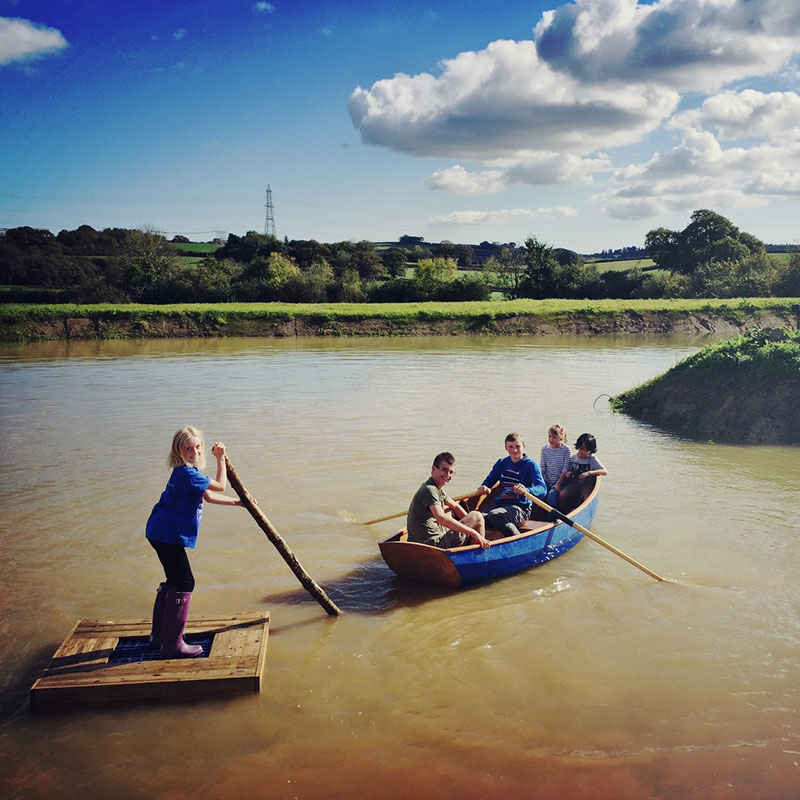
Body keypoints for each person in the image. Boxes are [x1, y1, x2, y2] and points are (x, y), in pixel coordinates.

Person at [145, 426, 244, 658]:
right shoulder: (187, 474)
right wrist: (221, 458)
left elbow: (208, 496)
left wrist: (238, 503)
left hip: (160, 531)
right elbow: (219, 486)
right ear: (178, 451)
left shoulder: (186, 471)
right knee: (186, 582)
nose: (195, 452)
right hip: (166, 534)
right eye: (188, 449)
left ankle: (158, 637)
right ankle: (173, 645)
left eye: (198, 447)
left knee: (174, 580)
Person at [406, 452, 491, 549]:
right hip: (431, 545)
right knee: (477, 516)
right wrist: (473, 532)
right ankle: (477, 553)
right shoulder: (430, 490)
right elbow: (441, 518)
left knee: (451, 511)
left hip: (422, 541)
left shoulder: (436, 488)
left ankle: (475, 540)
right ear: (434, 469)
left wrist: (471, 525)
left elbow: (455, 506)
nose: (448, 475)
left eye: (451, 472)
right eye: (445, 470)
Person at [475, 432, 546, 538]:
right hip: (500, 506)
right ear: (506, 448)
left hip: (520, 509)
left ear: (523, 446)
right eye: (511, 447)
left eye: (518, 446)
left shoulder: (530, 465)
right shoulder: (502, 463)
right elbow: (490, 481)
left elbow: (542, 489)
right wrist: (484, 486)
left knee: (495, 515)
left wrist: (527, 490)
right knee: (477, 517)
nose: (515, 450)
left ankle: (518, 540)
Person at [556, 432, 608, 512]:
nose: (580, 451)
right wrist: (569, 473)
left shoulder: (592, 459)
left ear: (590, 451)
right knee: (562, 494)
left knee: (586, 498)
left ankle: (583, 512)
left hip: (586, 486)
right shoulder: (573, 458)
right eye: (579, 448)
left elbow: (604, 471)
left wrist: (589, 473)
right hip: (574, 484)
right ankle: (562, 512)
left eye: (583, 449)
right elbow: (569, 470)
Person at [540, 424, 571, 509]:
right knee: (539, 494)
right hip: (547, 480)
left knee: (551, 495)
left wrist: (558, 484)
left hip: (560, 481)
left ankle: (553, 517)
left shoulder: (566, 450)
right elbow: (542, 468)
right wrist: (540, 483)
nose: (550, 439)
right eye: (549, 436)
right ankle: (541, 515)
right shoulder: (545, 449)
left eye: (554, 437)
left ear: (561, 438)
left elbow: (565, 470)